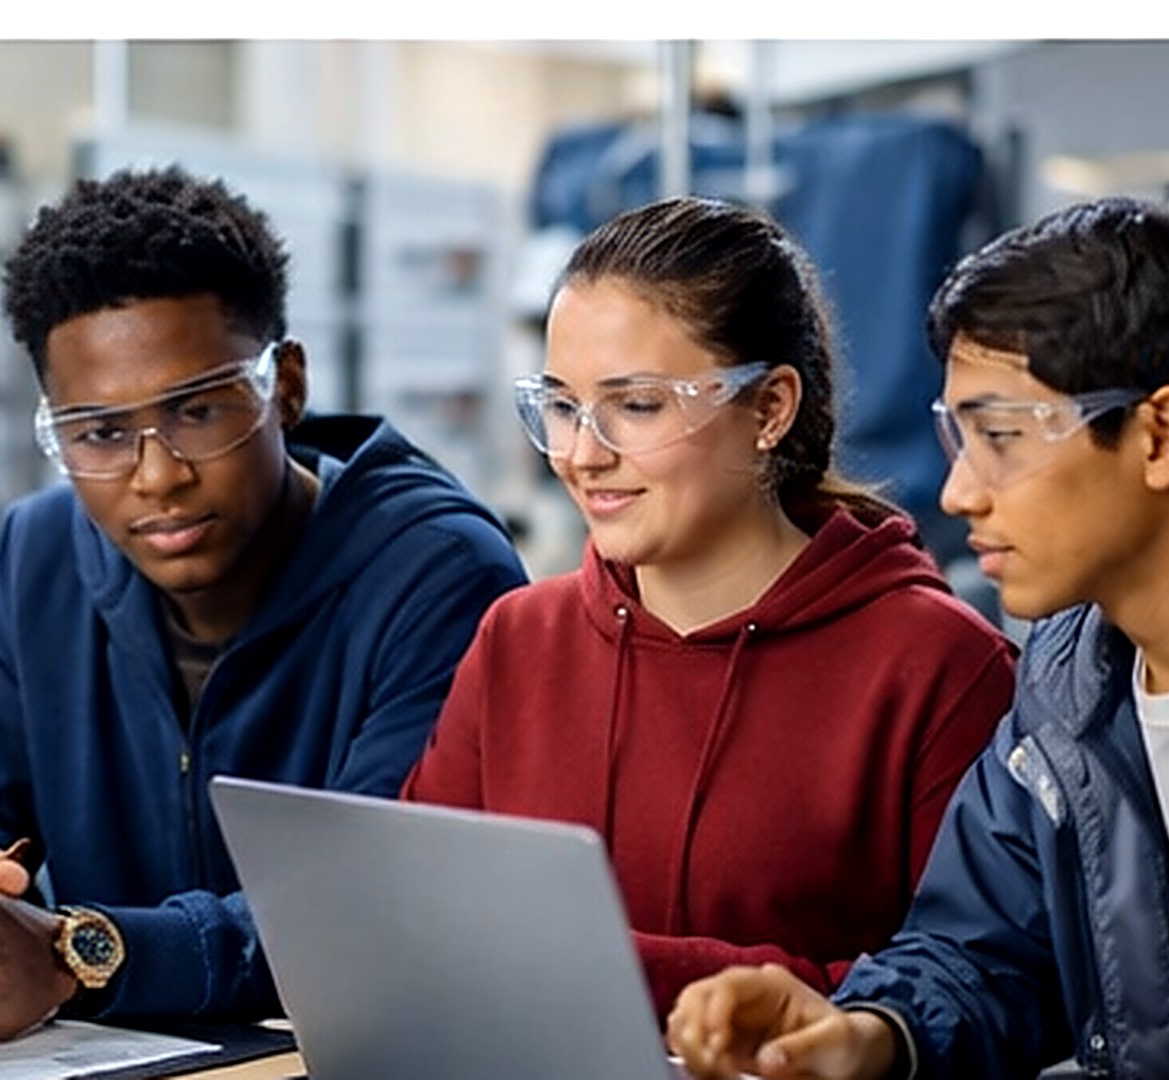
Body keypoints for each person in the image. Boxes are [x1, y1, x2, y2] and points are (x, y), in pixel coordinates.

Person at [0, 165, 528, 1040]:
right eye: (100, 433)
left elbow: (367, 907)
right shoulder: (40, 555)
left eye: (199, 412)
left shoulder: (439, 575)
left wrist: (72, 956)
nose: (158, 476)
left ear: (286, 386)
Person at [401, 195, 1016, 1017]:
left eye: (636, 405)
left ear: (769, 408)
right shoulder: (517, 639)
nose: (582, 454)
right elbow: (419, 916)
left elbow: (975, 991)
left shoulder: (940, 665)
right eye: (561, 406)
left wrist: (617, 971)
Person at [668, 197, 1169, 1080]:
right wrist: (865, 1032)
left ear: (1158, 436)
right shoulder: (1066, 688)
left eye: (1002, 438)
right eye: (958, 440)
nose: (958, 494)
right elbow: (985, 954)